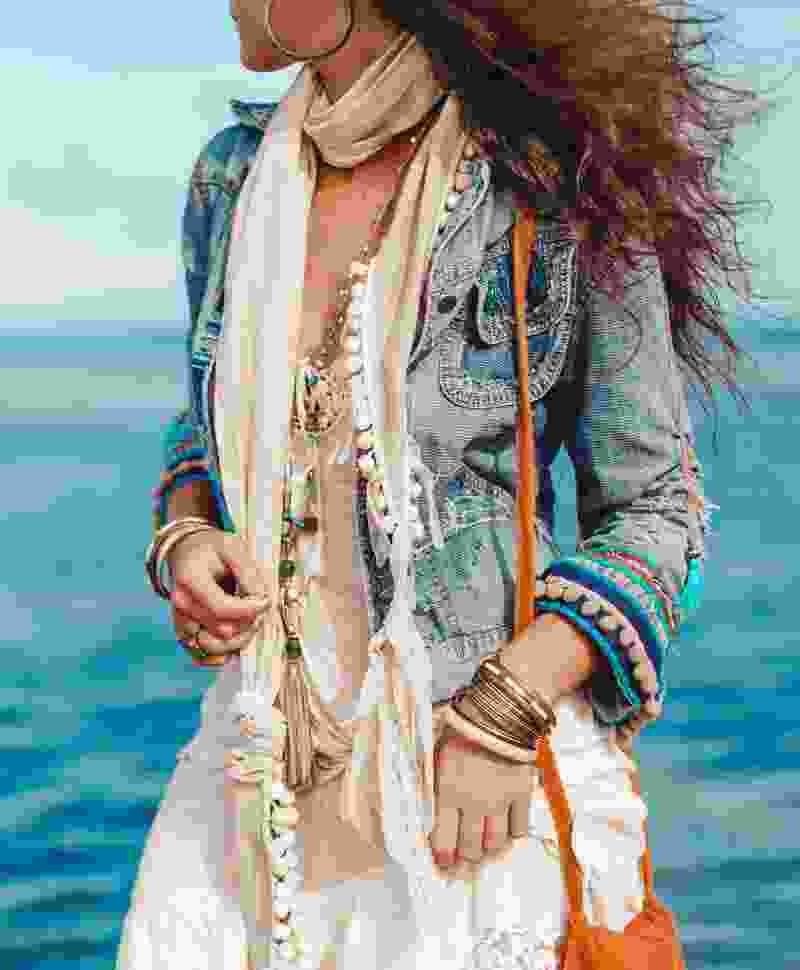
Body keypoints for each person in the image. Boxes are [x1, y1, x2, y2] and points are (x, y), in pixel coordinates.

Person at [118, 1, 760, 968]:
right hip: (259, 771)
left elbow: (658, 511)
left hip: (473, 781)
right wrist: (189, 534)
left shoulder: (555, 179)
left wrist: (504, 714)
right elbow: (213, 420)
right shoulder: (234, 177)